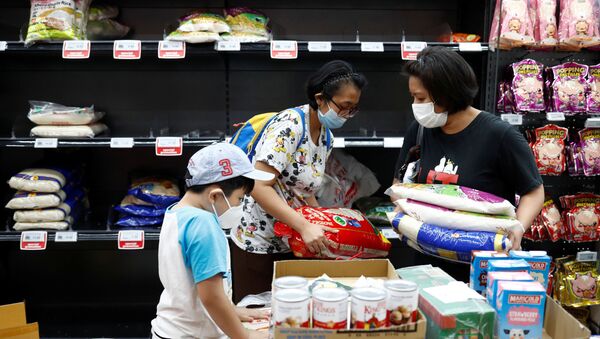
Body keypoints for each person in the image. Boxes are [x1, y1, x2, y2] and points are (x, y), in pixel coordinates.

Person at [231, 60, 367, 301]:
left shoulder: (326, 136)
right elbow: (258, 186)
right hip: (259, 243)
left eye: (353, 109)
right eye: (344, 106)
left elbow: (305, 188)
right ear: (320, 98)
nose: (347, 115)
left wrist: (325, 226)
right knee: (258, 319)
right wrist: (304, 226)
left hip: (290, 241)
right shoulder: (290, 127)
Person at [393, 46, 545, 251]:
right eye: (413, 97)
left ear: (446, 95)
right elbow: (399, 184)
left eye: (420, 98)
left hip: (479, 261)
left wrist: (518, 226)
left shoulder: (500, 136)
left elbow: (533, 191)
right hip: (427, 258)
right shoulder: (420, 130)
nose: (415, 105)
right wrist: (402, 211)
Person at [150, 142, 274, 339]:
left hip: (170, 328)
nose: (241, 207)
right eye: (240, 199)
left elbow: (193, 284)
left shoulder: (176, 212)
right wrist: (245, 336)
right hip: (192, 334)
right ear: (215, 196)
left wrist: (232, 310)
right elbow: (212, 297)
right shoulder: (204, 225)